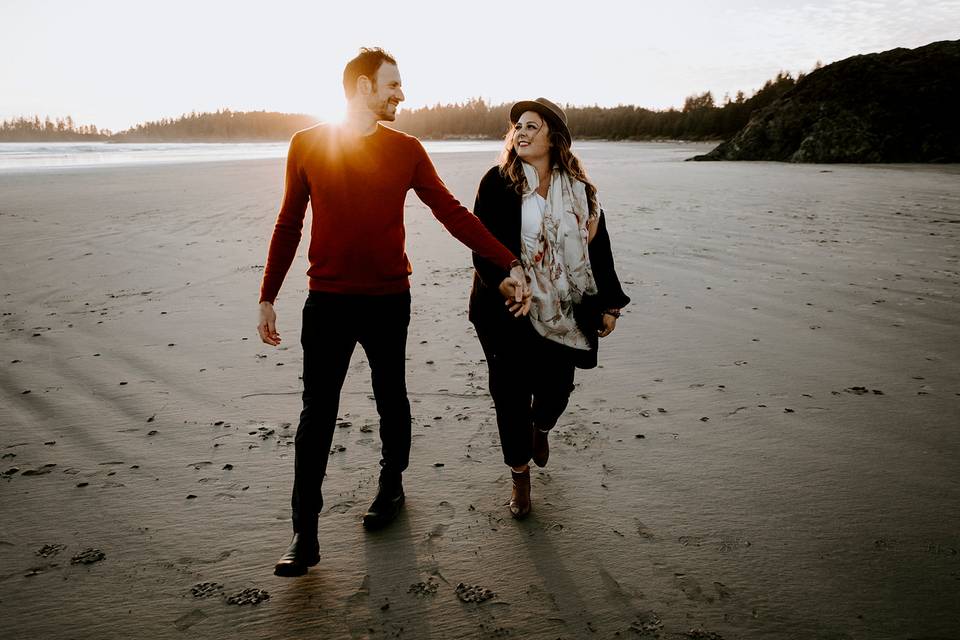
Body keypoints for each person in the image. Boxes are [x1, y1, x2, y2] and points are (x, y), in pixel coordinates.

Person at [257, 47, 529, 577]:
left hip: (387, 300)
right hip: (328, 302)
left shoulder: (406, 150)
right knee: (317, 413)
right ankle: (304, 531)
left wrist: (507, 259)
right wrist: (268, 295)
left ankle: (392, 483)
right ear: (362, 87)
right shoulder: (307, 145)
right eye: (392, 85)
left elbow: (451, 212)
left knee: (390, 396)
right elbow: (289, 223)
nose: (401, 94)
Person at [468, 97, 630, 519]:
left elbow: (600, 251)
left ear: (554, 137)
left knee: (556, 390)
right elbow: (482, 243)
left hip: (564, 311)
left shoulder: (581, 192)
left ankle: (541, 427)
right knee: (509, 393)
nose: (520, 132)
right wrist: (505, 281)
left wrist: (610, 303)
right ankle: (519, 477)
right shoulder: (497, 182)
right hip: (507, 309)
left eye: (531, 126)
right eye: (517, 126)